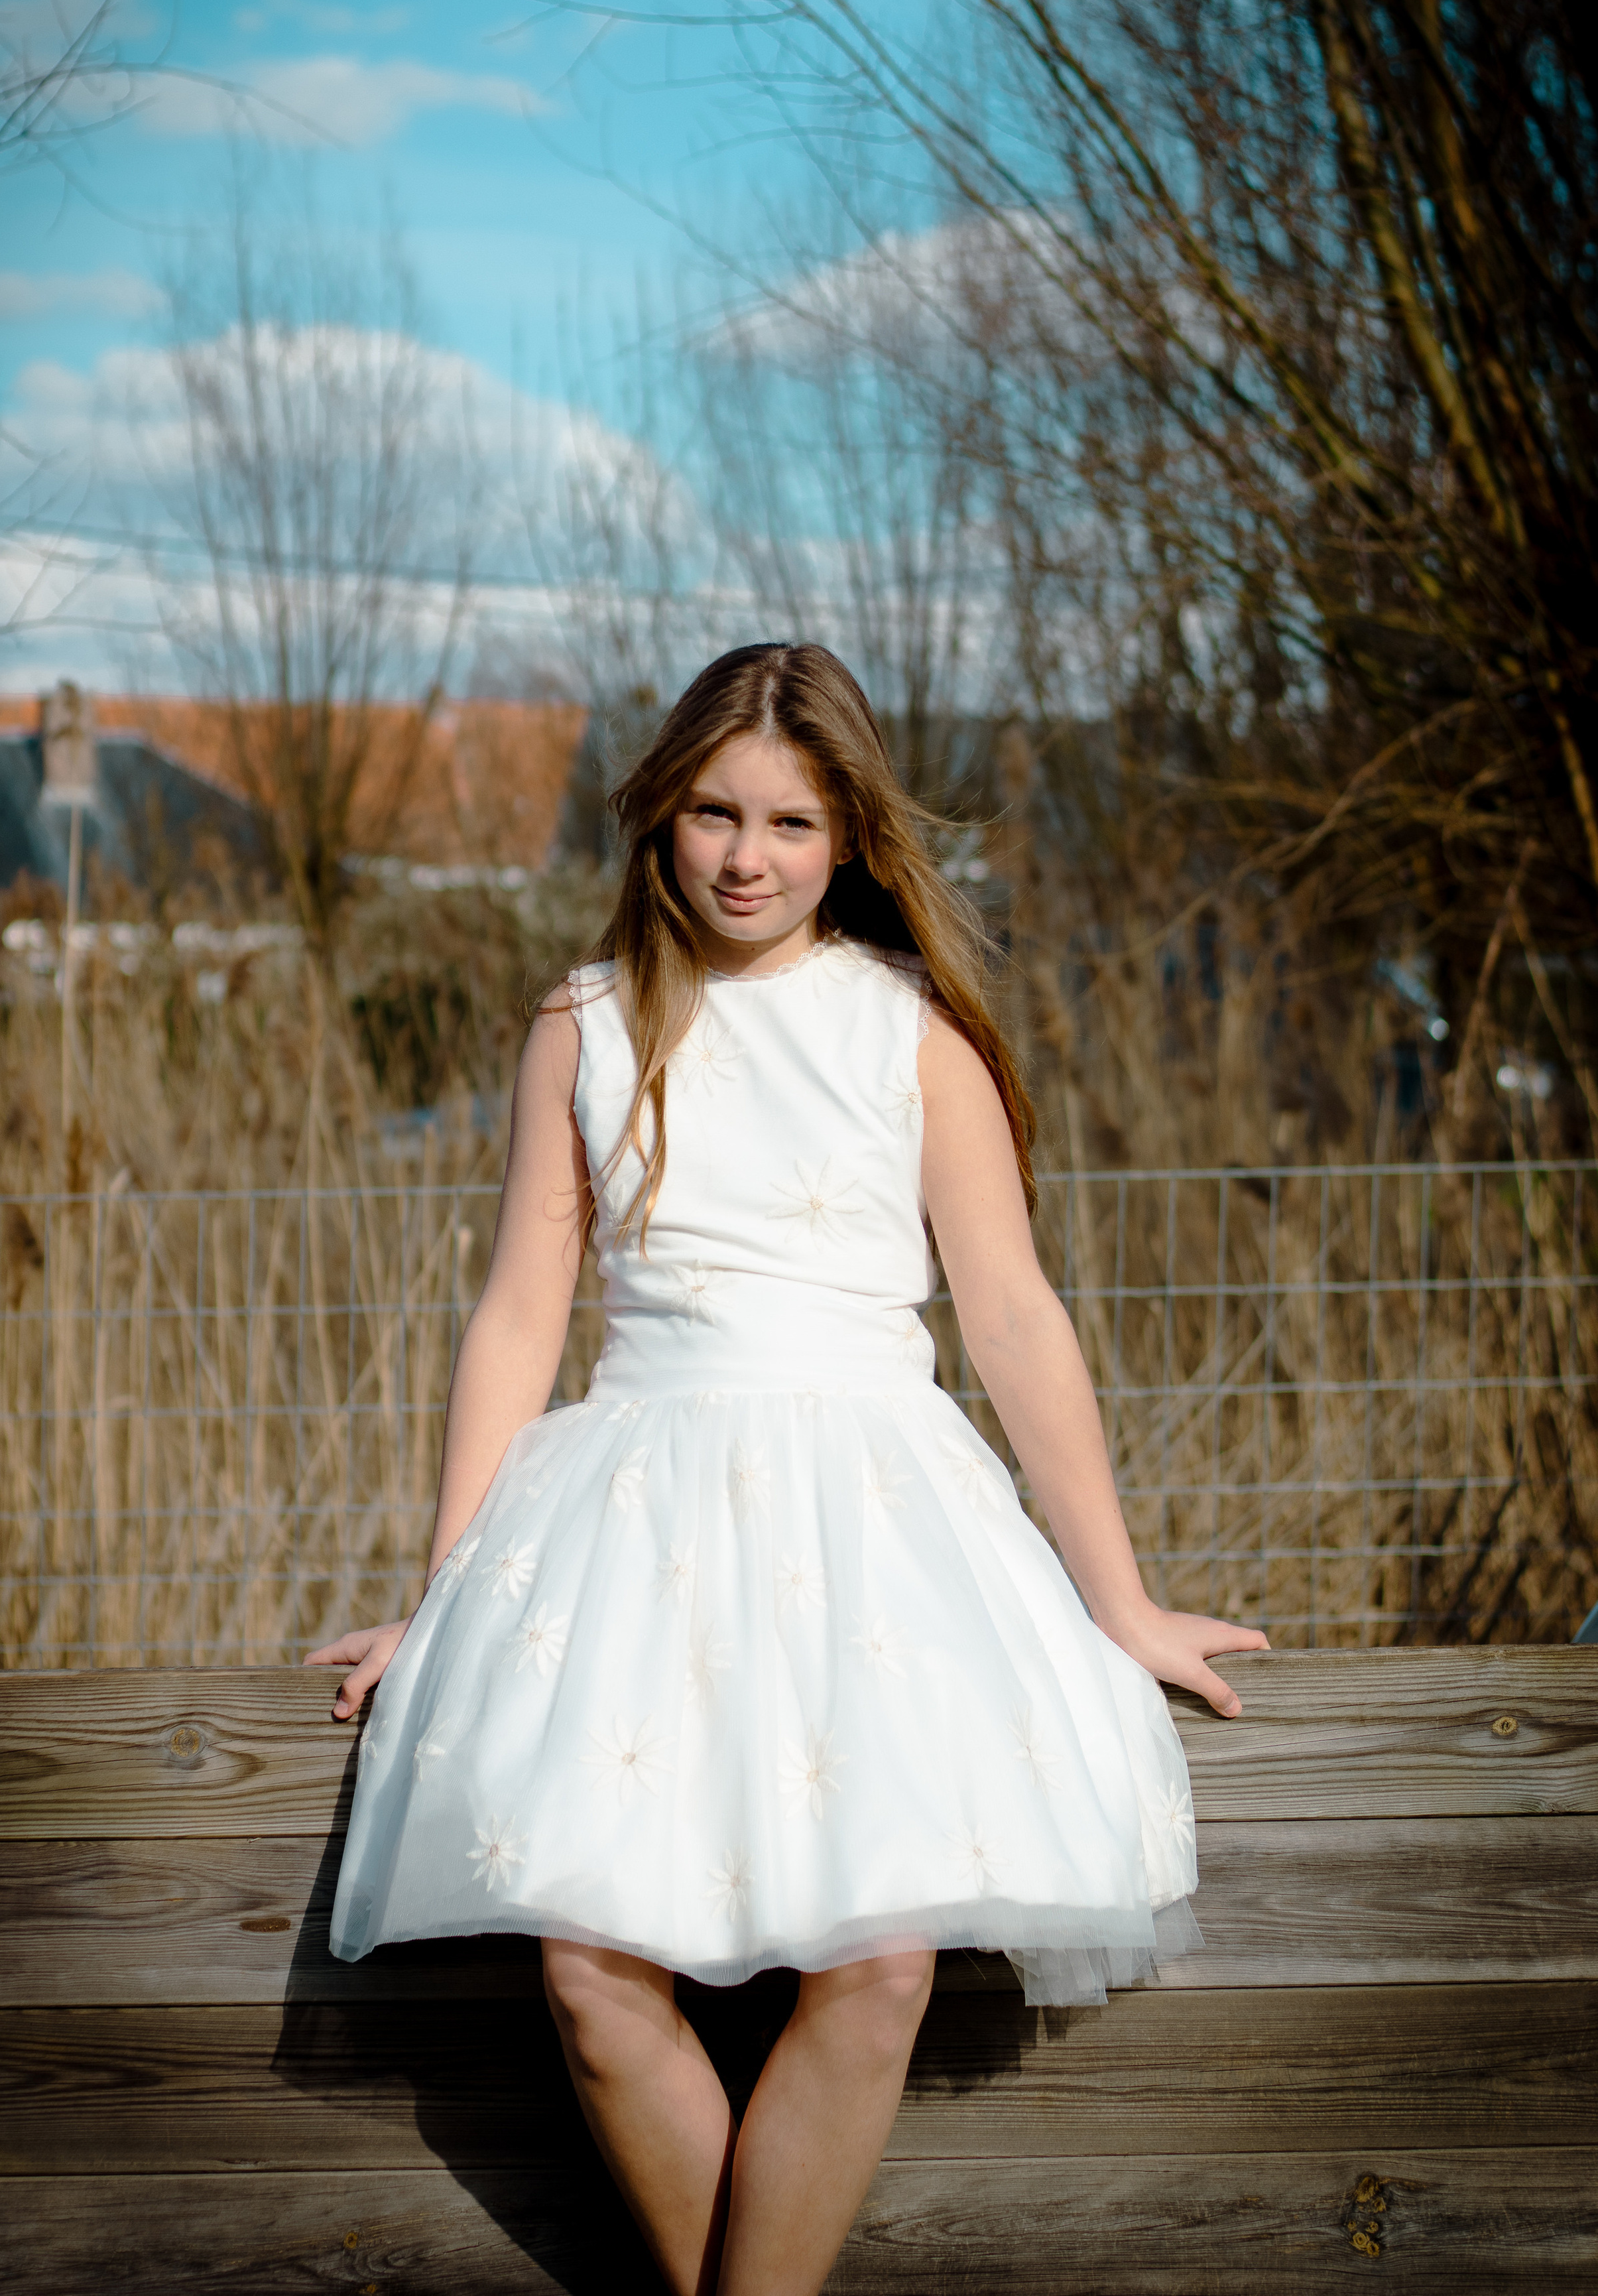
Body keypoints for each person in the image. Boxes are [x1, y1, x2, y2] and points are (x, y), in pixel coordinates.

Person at [306, 641, 1268, 2296]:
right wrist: (443, 1599)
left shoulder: (906, 1035)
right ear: (658, 816)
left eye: (791, 823)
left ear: (850, 843)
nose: (746, 856)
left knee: (881, 1958)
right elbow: (520, 1316)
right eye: (712, 812)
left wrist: (1120, 1599)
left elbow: (1016, 1321)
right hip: (633, 1525)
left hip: (877, 1524)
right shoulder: (584, 1026)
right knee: (593, 1968)